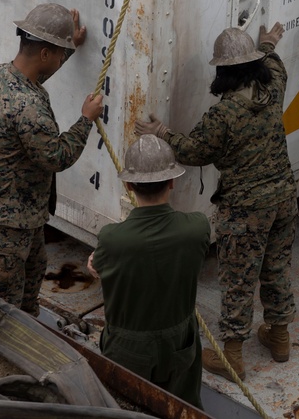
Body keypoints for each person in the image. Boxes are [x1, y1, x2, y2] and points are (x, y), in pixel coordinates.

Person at [136, 22, 297, 380]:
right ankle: (280, 338)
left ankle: (233, 357)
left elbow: (194, 151)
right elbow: (273, 61)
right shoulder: (274, 85)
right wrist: (267, 43)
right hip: (284, 198)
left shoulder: (223, 115)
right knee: (276, 267)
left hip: (246, 209)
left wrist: (161, 132)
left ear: (223, 71)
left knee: (238, 279)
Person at [0, 3, 103, 316]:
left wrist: (68, 46)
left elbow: (32, 85)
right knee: (1, 313)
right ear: (44, 53)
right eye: (59, 52)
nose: (61, 57)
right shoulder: (27, 106)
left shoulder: (2, 75)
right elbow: (57, 156)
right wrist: (86, 120)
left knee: (27, 297)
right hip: (4, 226)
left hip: (19, 217)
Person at [87, 135, 210, 409]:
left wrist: (95, 265)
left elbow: (100, 268)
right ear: (172, 181)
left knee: (125, 408)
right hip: (180, 343)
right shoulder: (197, 227)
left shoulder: (112, 239)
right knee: (183, 408)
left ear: (129, 185)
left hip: (128, 349)